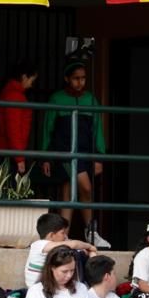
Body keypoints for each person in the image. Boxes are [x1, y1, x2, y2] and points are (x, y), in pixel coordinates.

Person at [38, 61, 109, 247]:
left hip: (84, 152)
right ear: (67, 79)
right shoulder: (56, 99)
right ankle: (85, 231)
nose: (80, 82)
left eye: (83, 78)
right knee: (82, 188)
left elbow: (98, 130)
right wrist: (46, 156)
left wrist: (99, 156)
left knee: (70, 192)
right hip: (64, 152)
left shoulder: (91, 100)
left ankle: (73, 233)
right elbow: (48, 128)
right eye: (76, 78)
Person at [0, 62, 38, 174]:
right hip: (9, 153)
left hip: (6, 150)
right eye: (32, 80)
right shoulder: (15, 96)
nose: (32, 84)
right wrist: (19, 158)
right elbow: (13, 129)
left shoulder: (9, 92)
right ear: (24, 77)